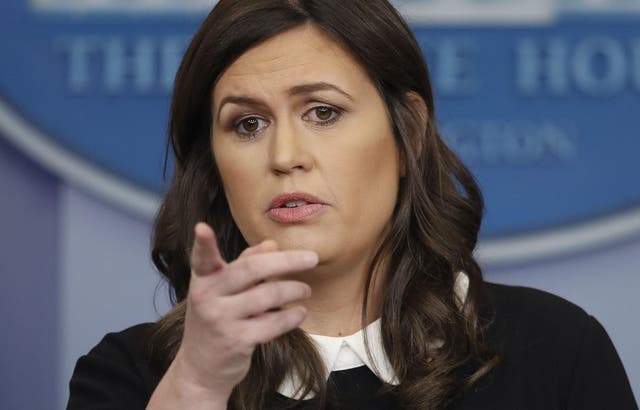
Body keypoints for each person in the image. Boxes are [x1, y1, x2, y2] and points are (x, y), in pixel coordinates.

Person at [67, 1, 638, 409]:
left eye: (323, 112)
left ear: (409, 131)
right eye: (248, 123)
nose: (285, 155)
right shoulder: (127, 376)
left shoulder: (556, 349)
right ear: (213, 163)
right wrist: (196, 387)